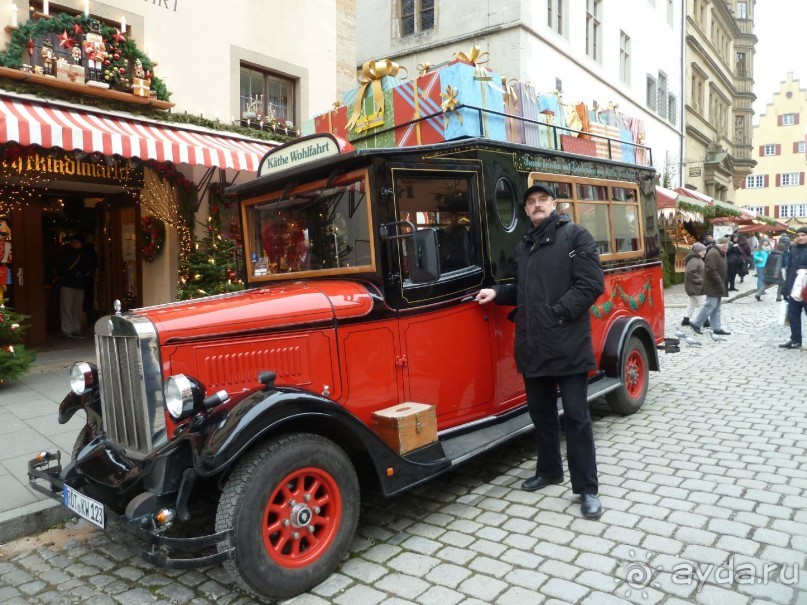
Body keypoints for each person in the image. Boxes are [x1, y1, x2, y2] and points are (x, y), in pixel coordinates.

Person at [475, 184, 605, 519]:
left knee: (576, 418)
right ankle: (549, 471)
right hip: (533, 346)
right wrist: (497, 292)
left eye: (542, 200)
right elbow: (525, 291)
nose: (537, 205)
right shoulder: (525, 246)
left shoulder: (576, 236)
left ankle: (587, 489)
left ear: (554, 204)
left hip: (567, 344)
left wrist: (555, 313)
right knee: (541, 415)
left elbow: (591, 285)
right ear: (526, 210)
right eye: (530, 202)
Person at [689, 237, 731, 335]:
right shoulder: (713, 253)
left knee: (716, 306)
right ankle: (696, 323)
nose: (728, 247)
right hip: (713, 284)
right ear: (723, 245)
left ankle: (716, 327)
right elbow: (711, 269)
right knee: (710, 304)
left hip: (718, 283)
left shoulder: (721, 252)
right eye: (727, 245)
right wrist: (720, 281)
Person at [56, 237, 92, 339]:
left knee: (78, 309)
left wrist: (84, 273)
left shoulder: (85, 254)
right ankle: (67, 330)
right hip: (67, 283)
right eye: (73, 241)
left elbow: (89, 266)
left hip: (80, 284)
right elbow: (61, 268)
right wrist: (72, 273)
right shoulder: (66, 253)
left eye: (77, 241)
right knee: (67, 308)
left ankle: (76, 329)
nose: (75, 243)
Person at [778, 227, 807, 349]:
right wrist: (785, 287)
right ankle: (795, 340)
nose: (800, 237)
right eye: (798, 235)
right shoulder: (793, 249)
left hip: (806, 288)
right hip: (794, 287)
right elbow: (789, 269)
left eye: (803, 235)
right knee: (793, 315)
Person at [682, 242, 706, 326]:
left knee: (692, 304)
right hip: (696, 287)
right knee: (704, 304)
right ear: (697, 251)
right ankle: (705, 321)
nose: (704, 252)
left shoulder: (697, 259)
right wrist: (701, 280)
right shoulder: (695, 260)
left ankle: (685, 320)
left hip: (694, 286)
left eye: (705, 250)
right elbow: (690, 272)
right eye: (702, 250)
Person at [777, 234, 791, 301]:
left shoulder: (781, 238)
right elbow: (789, 244)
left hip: (782, 249)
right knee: (786, 257)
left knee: (783, 257)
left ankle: (783, 265)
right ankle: (786, 265)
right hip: (787, 249)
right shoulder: (788, 238)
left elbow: (779, 243)